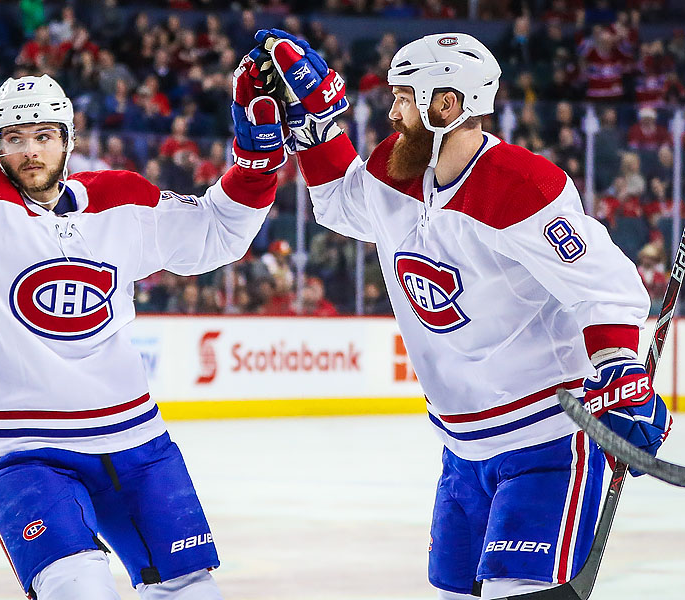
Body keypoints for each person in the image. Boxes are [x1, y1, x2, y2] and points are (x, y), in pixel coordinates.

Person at [0, 33, 287, 600]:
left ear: (68, 141)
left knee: (192, 591)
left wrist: (256, 163)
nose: (30, 152)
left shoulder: (121, 201)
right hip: (22, 450)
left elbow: (217, 234)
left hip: (136, 441)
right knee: (79, 588)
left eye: (43, 136)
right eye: (14, 139)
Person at [253, 29, 672, 599]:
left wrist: (622, 370)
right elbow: (339, 204)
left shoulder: (521, 186)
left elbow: (605, 288)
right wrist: (316, 128)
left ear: (444, 105)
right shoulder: (393, 170)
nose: (393, 111)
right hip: (461, 449)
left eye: (404, 98)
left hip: (545, 441)